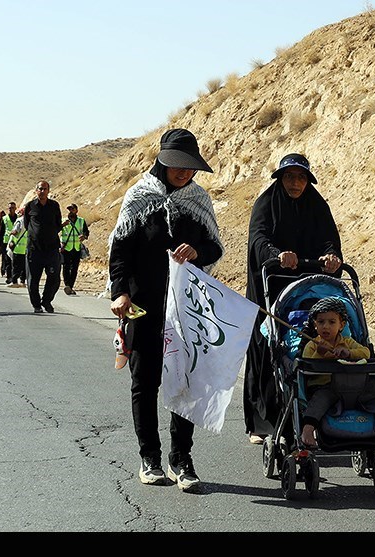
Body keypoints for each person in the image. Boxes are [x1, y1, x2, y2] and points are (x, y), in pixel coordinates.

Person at [108, 128, 223, 493]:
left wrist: (198, 253)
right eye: (178, 165)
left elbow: (214, 247)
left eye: (191, 168)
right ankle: (150, 457)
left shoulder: (198, 200)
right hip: (144, 305)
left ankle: (182, 458)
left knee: (184, 381)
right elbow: (120, 252)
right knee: (146, 382)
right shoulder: (139, 197)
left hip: (186, 308)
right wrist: (121, 292)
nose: (185, 173)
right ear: (163, 159)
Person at [244, 153, 343, 445]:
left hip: (308, 291)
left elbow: (329, 238)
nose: (295, 183)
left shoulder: (317, 205)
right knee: (267, 349)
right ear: (280, 178)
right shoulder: (266, 204)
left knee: (309, 348)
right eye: (289, 177)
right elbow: (258, 239)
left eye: (301, 178)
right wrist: (277, 255)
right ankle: (261, 424)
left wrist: (331, 256)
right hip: (272, 285)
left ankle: (309, 419)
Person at [299, 297, 372, 448]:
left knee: (373, 389)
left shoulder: (347, 342)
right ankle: (308, 428)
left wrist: (349, 353)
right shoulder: (313, 344)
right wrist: (319, 353)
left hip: (347, 386)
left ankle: (372, 431)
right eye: (321, 322)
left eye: (331, 322)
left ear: (341, 325)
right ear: (315, 324)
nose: (326, 326)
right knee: (323, 397)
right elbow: (307, 364)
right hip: (322, 386)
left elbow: (365, 353)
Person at [23, 181, 62, 313]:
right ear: (36, 190)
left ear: (48, 190)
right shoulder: (30, 206)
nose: (43, 191)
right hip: (34, 249)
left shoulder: (54, 206)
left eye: (45, 189)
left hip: (51, 249)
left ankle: (46, 301)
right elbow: (26, 224)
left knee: (54, 278)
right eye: (40, 189)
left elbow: (58, 224)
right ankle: (36, 305)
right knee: (33, 279)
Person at [60, 203, 90, 295]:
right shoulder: (63, 221)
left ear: (76, 211)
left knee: (74, 268)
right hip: (66, 248)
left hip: (76, 248)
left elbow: (86, 232)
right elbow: (56, 230)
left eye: (72, 209)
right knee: (66, 267)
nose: (70, 211)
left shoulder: (81, 221)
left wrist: (83, 236)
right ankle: (67, 285)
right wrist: (62, 225)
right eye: (69, 209)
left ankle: (70, 286)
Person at [6, 207, 27, 287]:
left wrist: (10, 232)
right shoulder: (30, 221)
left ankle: (14, 281)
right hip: (26, 247)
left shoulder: (20, 221)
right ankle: (22, 281)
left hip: (18, 247)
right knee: (24, 266)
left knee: (16, 266)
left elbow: (15, 231)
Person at [0, 202, 19, 282]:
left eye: (13, 208)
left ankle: (14, 276)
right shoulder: (4, 218)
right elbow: (1, 231)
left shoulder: (19, 219)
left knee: (15, 261)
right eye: (10, 208)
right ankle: (9, 277)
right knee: (7, 260)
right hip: (6, 242)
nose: (11, 209)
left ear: (15, 208)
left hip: (16, 242)